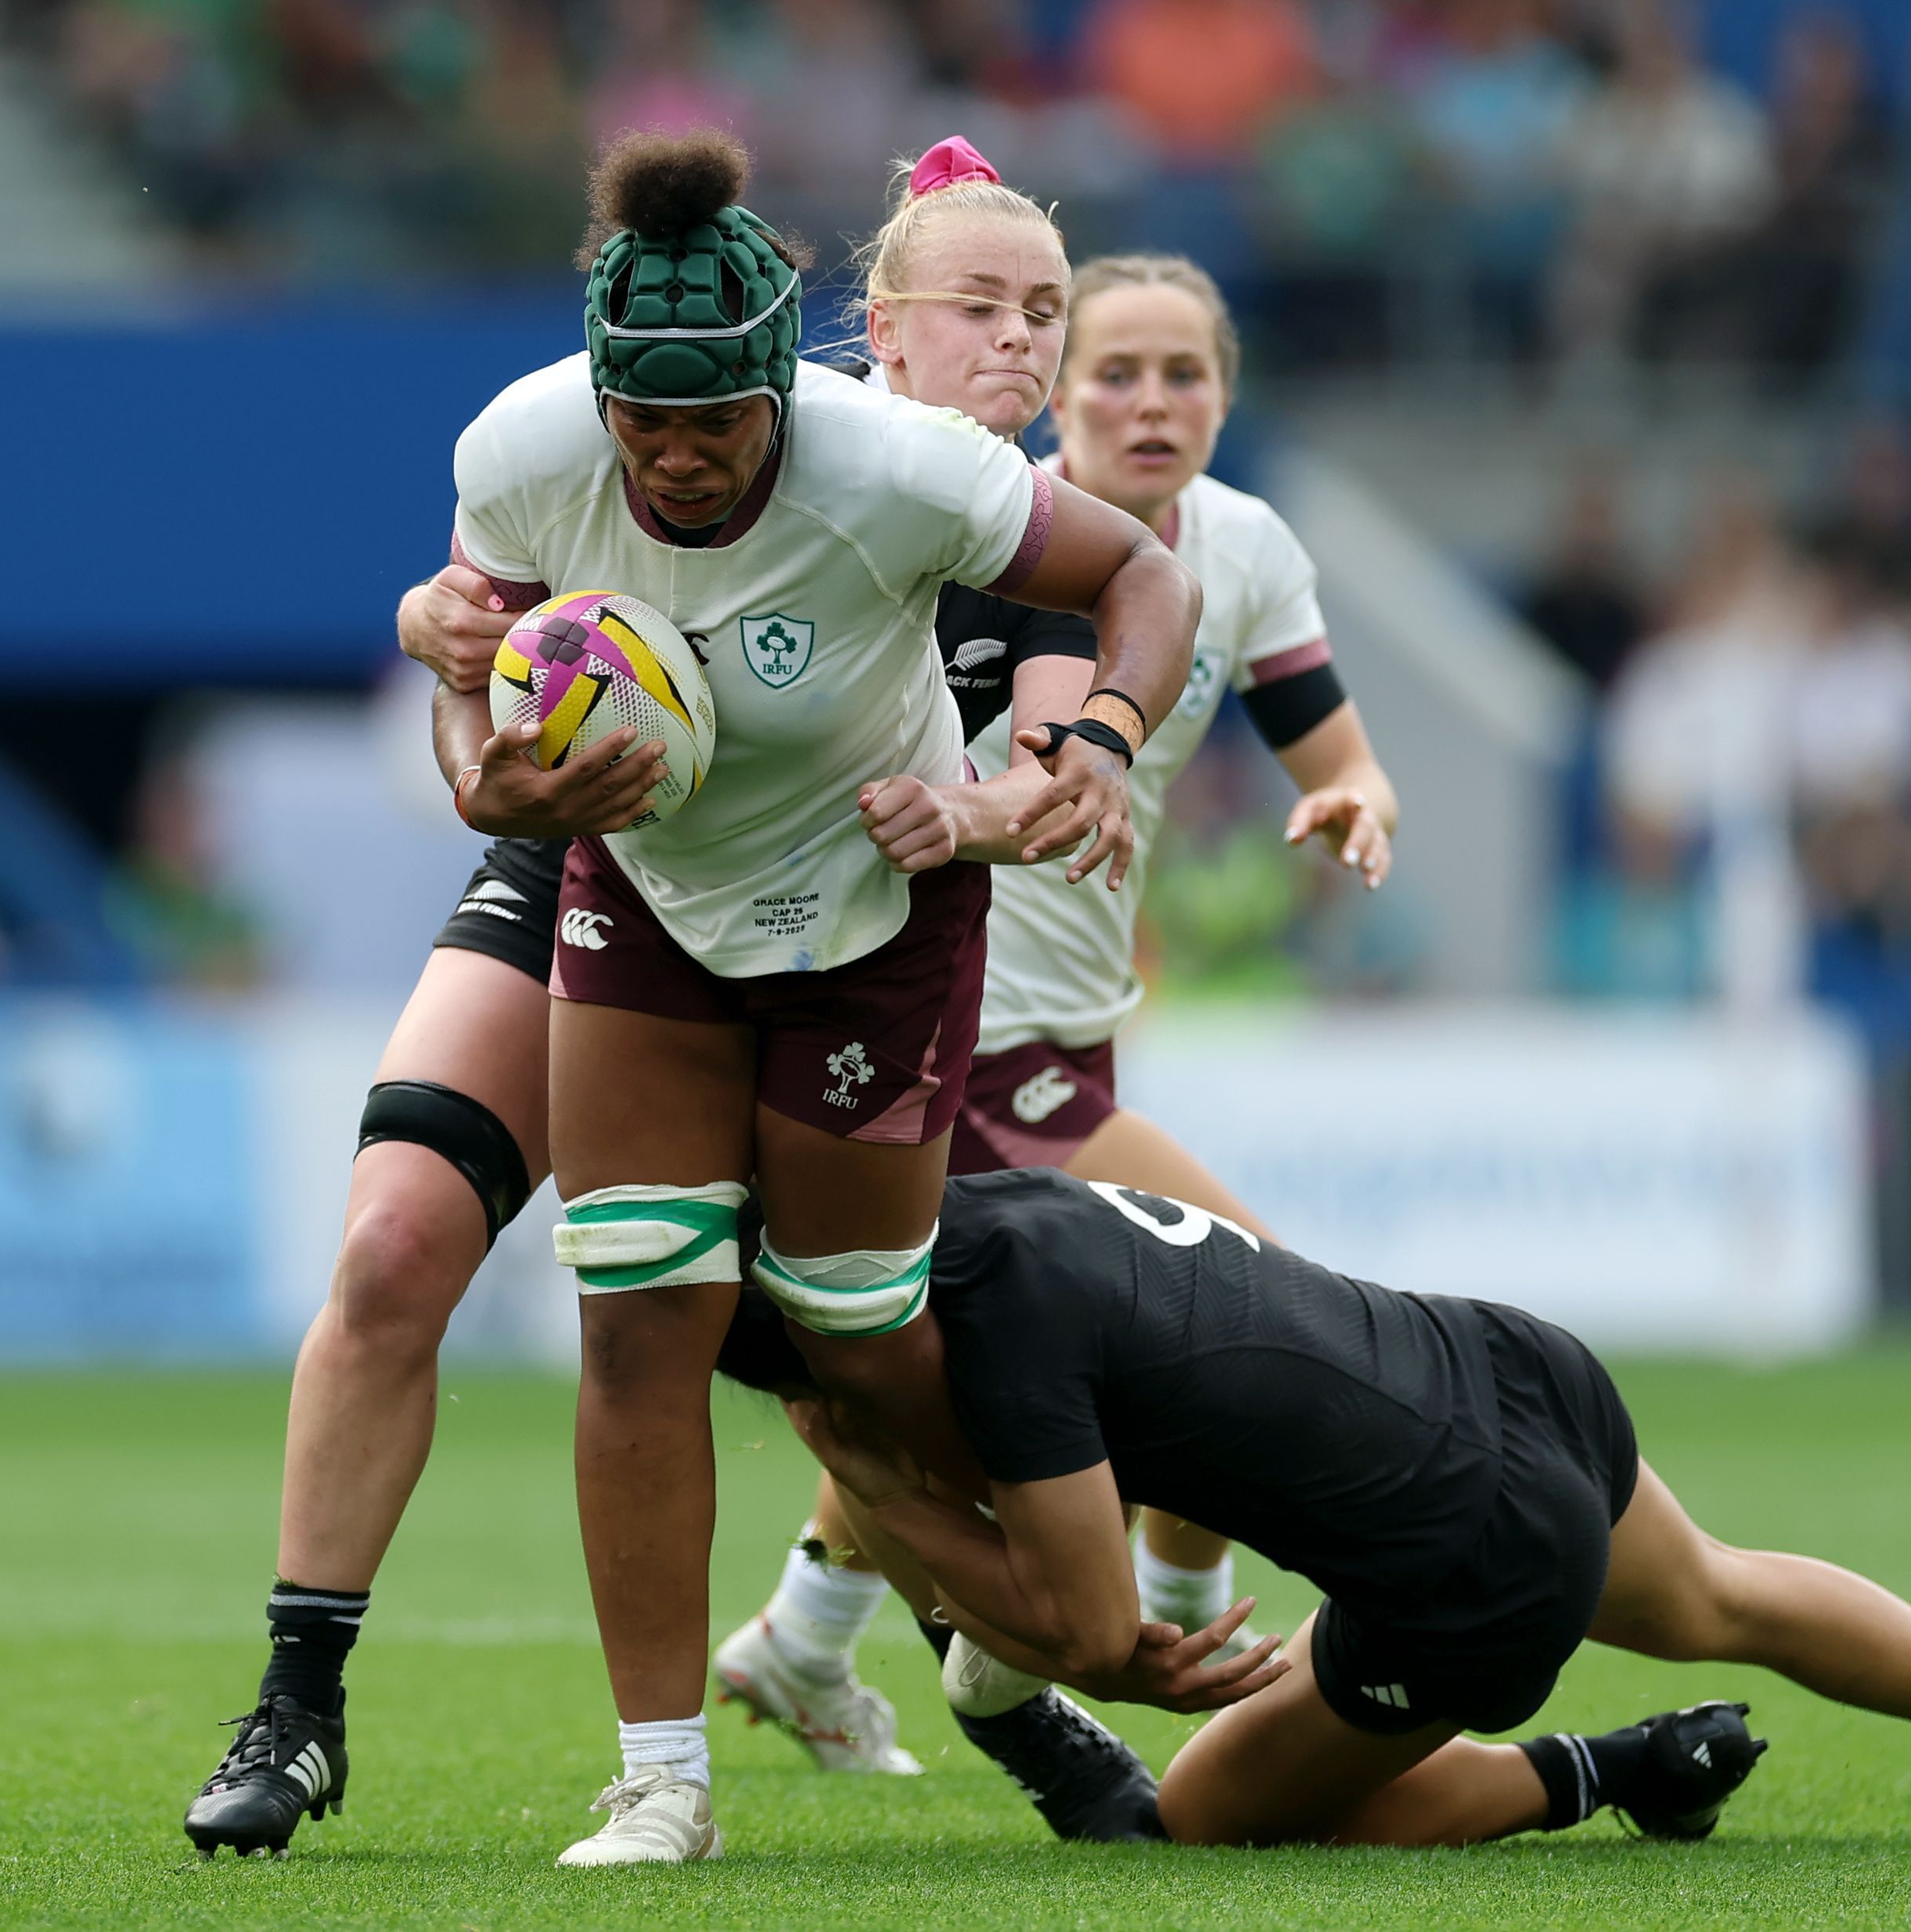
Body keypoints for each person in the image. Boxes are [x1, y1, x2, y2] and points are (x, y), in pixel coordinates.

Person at [180, 128, 1202, 1866]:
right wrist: (483, 769)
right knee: (456, 1257)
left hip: (859, 915)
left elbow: (1102, 647)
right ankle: (360, 1713)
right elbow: (470, 655)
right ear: (870, 324)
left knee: (847, 1348)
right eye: (989, 308)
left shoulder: (940, 491)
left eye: (1050, 313)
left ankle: (1014, 1677)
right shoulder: (545, 441)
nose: (1029, 346)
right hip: (606, 864)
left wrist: (1048, 771)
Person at [718, 249, 1399, 1750]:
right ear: (1061, 394)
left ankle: (805, 1637)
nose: (1151, 402)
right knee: (1246, 1300)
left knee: (928, 1352)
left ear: (1227, 394)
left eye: (1185, 374)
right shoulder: (986, 534)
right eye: (1115, 371)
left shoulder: (1248, 548)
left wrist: (1350, 796)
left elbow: (1327, 742)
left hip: (1080, 1027)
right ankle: (1169, 1617)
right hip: (960, 1027)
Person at [727, 1167, 1911, 1848]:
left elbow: (1095, 1638)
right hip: (1507, 1363)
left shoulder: (995, 1341)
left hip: (1463, 1562)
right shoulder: (995, 1206)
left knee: (1197, 1818)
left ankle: (1612, 1770)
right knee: (1722, 1593)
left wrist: (862, 1472)